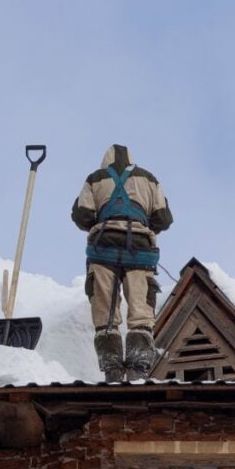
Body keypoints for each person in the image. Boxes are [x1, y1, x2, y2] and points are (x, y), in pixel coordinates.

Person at [71, 144, 173, 381]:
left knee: (105, 314)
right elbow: (164, 218)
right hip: (140, 251)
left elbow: (82, 215)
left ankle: (113, 369)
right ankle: (138, 368)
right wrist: (142, 225)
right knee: (141, 312)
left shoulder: (95, 179)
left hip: (102, 249)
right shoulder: (149, 179)